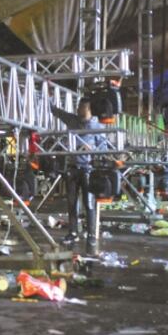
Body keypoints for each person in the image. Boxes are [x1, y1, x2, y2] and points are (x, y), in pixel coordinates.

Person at [51, 99, 109, 255]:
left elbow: (104, 147)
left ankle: (91, 234)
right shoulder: (72, 120)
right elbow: (57, 112)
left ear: (88, 108)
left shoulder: (97, 127)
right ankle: (73, 232)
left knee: (89, 204)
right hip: (73, 168)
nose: (78, 109)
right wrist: (48, 96)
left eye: (81, 107)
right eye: (77, 107)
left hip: (88, 169)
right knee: (71, 202)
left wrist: (92, 148)